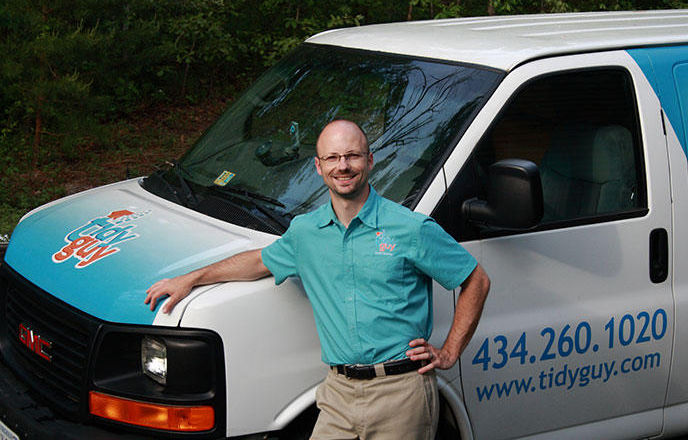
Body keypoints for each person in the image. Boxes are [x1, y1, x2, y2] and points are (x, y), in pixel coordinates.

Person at [145, 119, 490, 440]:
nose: (343, 166)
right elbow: (257, 262)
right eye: (333, 157)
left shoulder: (411, 228)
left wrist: (449, 351)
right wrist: (191, 278)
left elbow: (475, 278)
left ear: (370, 161)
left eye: (352, 155)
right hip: (337, 392)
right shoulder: (306, 233)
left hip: (400, 391)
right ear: (319, 166)